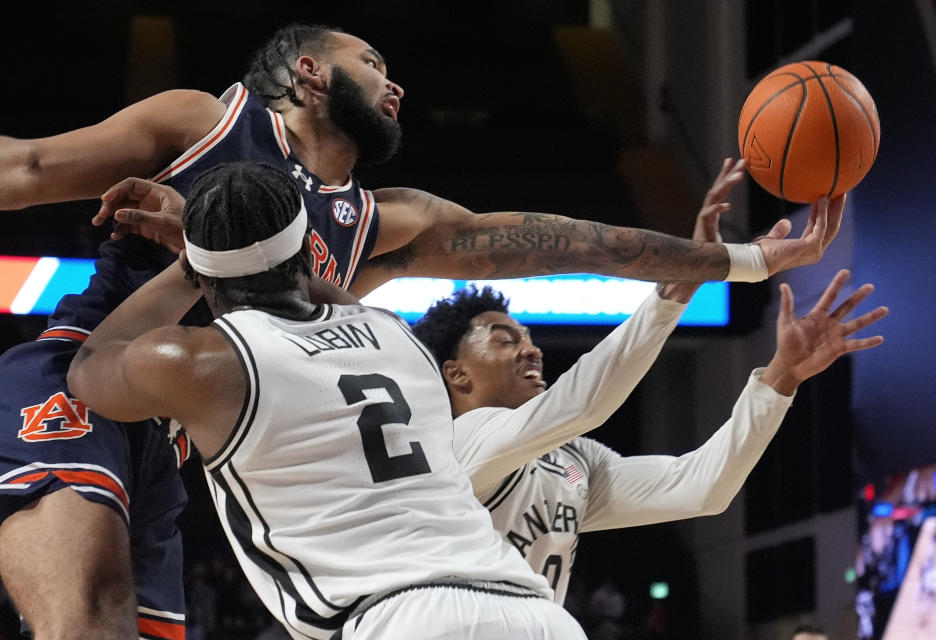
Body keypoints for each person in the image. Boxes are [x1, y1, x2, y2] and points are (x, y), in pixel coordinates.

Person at [0, 23, 844, 638]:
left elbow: (572, 242)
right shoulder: (209, 123)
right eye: (371, 61)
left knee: (122, 625)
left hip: (183, 432)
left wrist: (743, 261)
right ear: (307, 73)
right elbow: (29, 168)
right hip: (82, 374)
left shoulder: (385, 221)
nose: (393, 80)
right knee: (84, 613)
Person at [66, 162, 588, 640]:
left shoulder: (197, 361)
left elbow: (88, 366)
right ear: (307, 249)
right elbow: (316, 285)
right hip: (539, 611)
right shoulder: (395, 334)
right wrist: (226, 251)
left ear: (203, 269)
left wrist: (190, 261)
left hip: (401, 618)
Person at [411, 168, 886, 603]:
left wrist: (781, 377)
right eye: (503, 340)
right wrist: (687, 275)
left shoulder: (573, 462)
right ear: (456, 374)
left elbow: (702, 488)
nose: (531, 350)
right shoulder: (453, 446)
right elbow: (582, 403)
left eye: (530, 338)